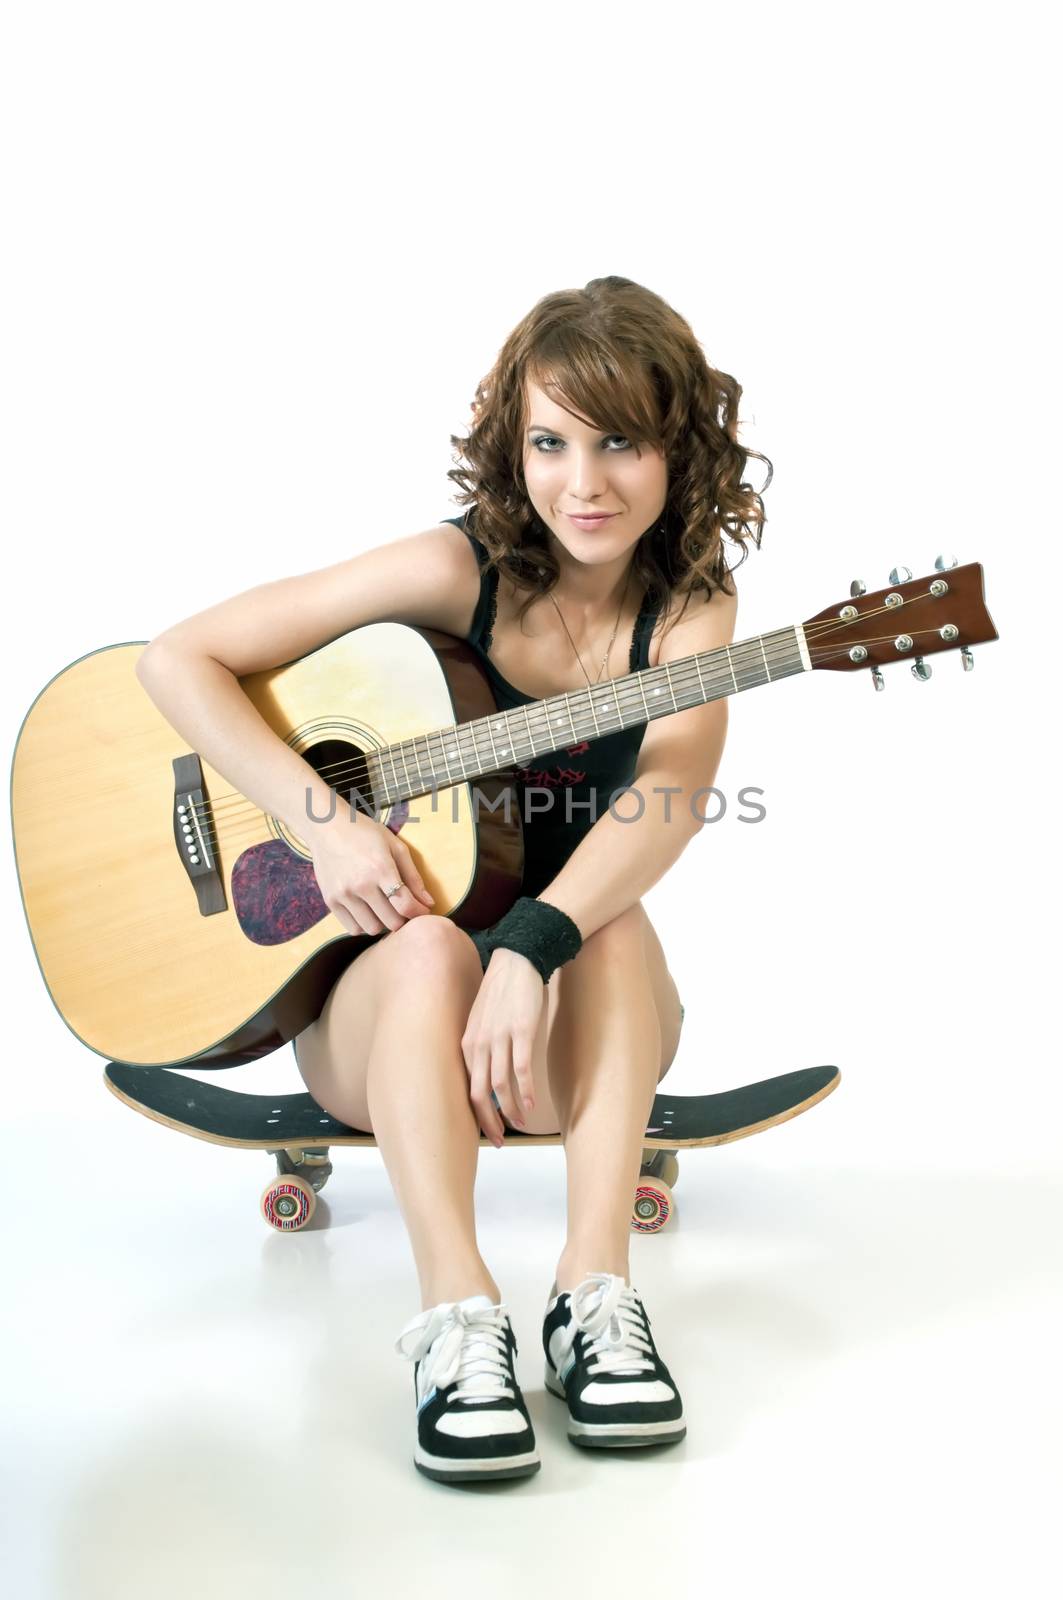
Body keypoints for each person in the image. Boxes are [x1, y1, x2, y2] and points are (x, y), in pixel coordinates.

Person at [134, 275, 770, 1485]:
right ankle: (457, 1317)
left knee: (613, 921)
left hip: (552, 1028)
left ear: (678, 449)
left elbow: (669, 798)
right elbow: (180, 660)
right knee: (426, 945)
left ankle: (594, 1293)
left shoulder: (691, 612)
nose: (582, 483)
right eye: (549, 441)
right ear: (511, 446)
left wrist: (531, 945)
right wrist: (321, 819)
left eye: (621, 441)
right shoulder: (454, 569)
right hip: (392, 1025)